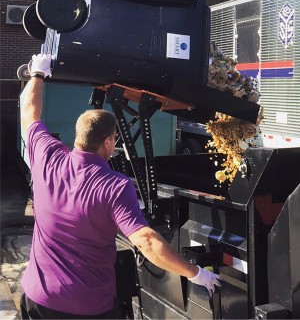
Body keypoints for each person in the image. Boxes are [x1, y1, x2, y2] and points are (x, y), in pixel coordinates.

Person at [20, 53, 221, 319]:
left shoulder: (48, 157)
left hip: (38, 300)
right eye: (114, 138)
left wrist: (38, 73)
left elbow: (28, 111)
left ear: (78, 136)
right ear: (108, 142)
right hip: (86, 309)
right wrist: (196, 273)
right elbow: (147, 243)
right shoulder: (115, 186)